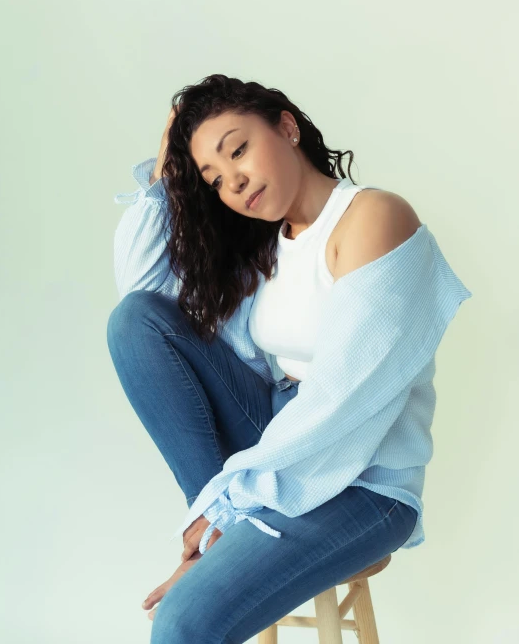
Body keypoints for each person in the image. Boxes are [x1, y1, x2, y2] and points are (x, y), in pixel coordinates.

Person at [107, 74, 471, 643]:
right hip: (279, 444)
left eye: (239, 149)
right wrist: (166, 177)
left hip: (363, 478)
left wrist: (226, 510)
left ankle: (217, 533)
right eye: (215, 178)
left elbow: (340, 403)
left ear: (286, 125)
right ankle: (218, 535)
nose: (235, 180)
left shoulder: (373, 217)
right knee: (136, 321)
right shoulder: (267, 244)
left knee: (182, 621)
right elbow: (140, 292)